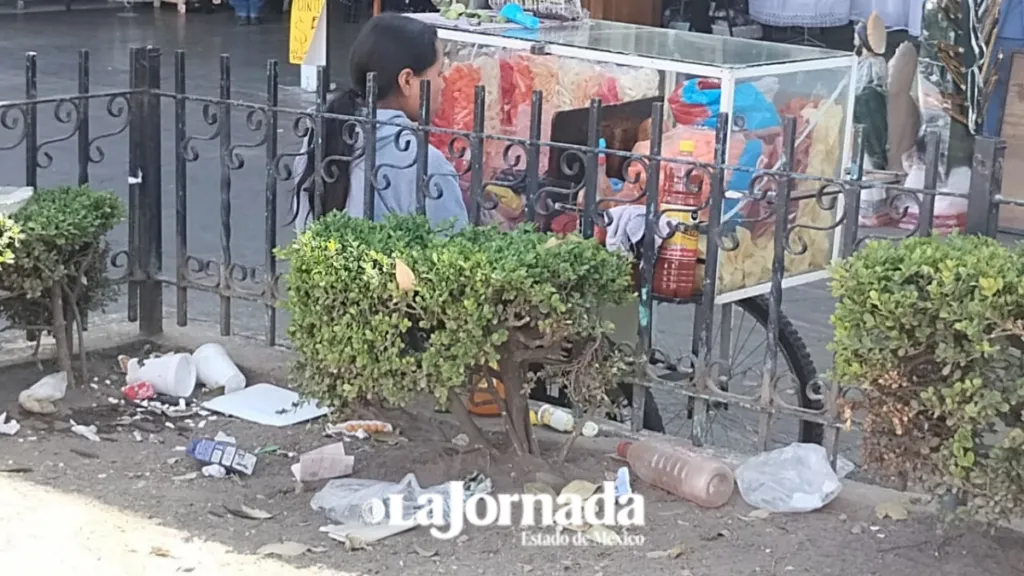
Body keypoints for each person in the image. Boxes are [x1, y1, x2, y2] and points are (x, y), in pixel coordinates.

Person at [290, 14, 468, 233]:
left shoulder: (320, 134)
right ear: (407, 80)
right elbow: (454, 253)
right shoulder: (427, 164)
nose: (444, 83)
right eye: (438, 73)